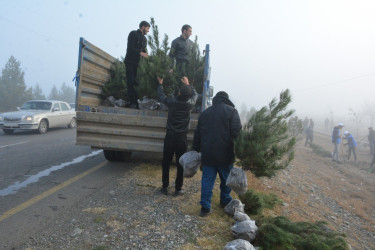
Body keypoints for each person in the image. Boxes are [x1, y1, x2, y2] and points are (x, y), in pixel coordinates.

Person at [192, 91, 242, 217]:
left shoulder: (204, 113)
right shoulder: (231, 111)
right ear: (226, 99)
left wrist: (196, 149)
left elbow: (197, 134)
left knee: (207, 181)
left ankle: (205, 207)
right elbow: (237, 132)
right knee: (226, 180)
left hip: (208, 154)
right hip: (225, 155)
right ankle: (224, 200)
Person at [157, 76, 198, 196]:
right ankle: (178, 189)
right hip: (182, 139)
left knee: (166, 163)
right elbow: (195, 95)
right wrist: (189, 84)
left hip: (170, 137)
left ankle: (164, 187)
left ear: (179, 93)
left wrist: (160, 84)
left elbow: (162, 96)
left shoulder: (172, 102)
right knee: (181, 164)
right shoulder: (189, 105)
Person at [124, 21, 150, 109]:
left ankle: (138, 101)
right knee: (130, 82)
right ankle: (132, 102)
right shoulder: (133, 34)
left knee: (137, 83)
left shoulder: (145, 39)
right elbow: (130, 48)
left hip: (139, 64)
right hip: (130, 62)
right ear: (143, 27)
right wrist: (140, 53)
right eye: (147, 28)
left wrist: (148, 57)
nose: (148, 31)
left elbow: (144, 51)